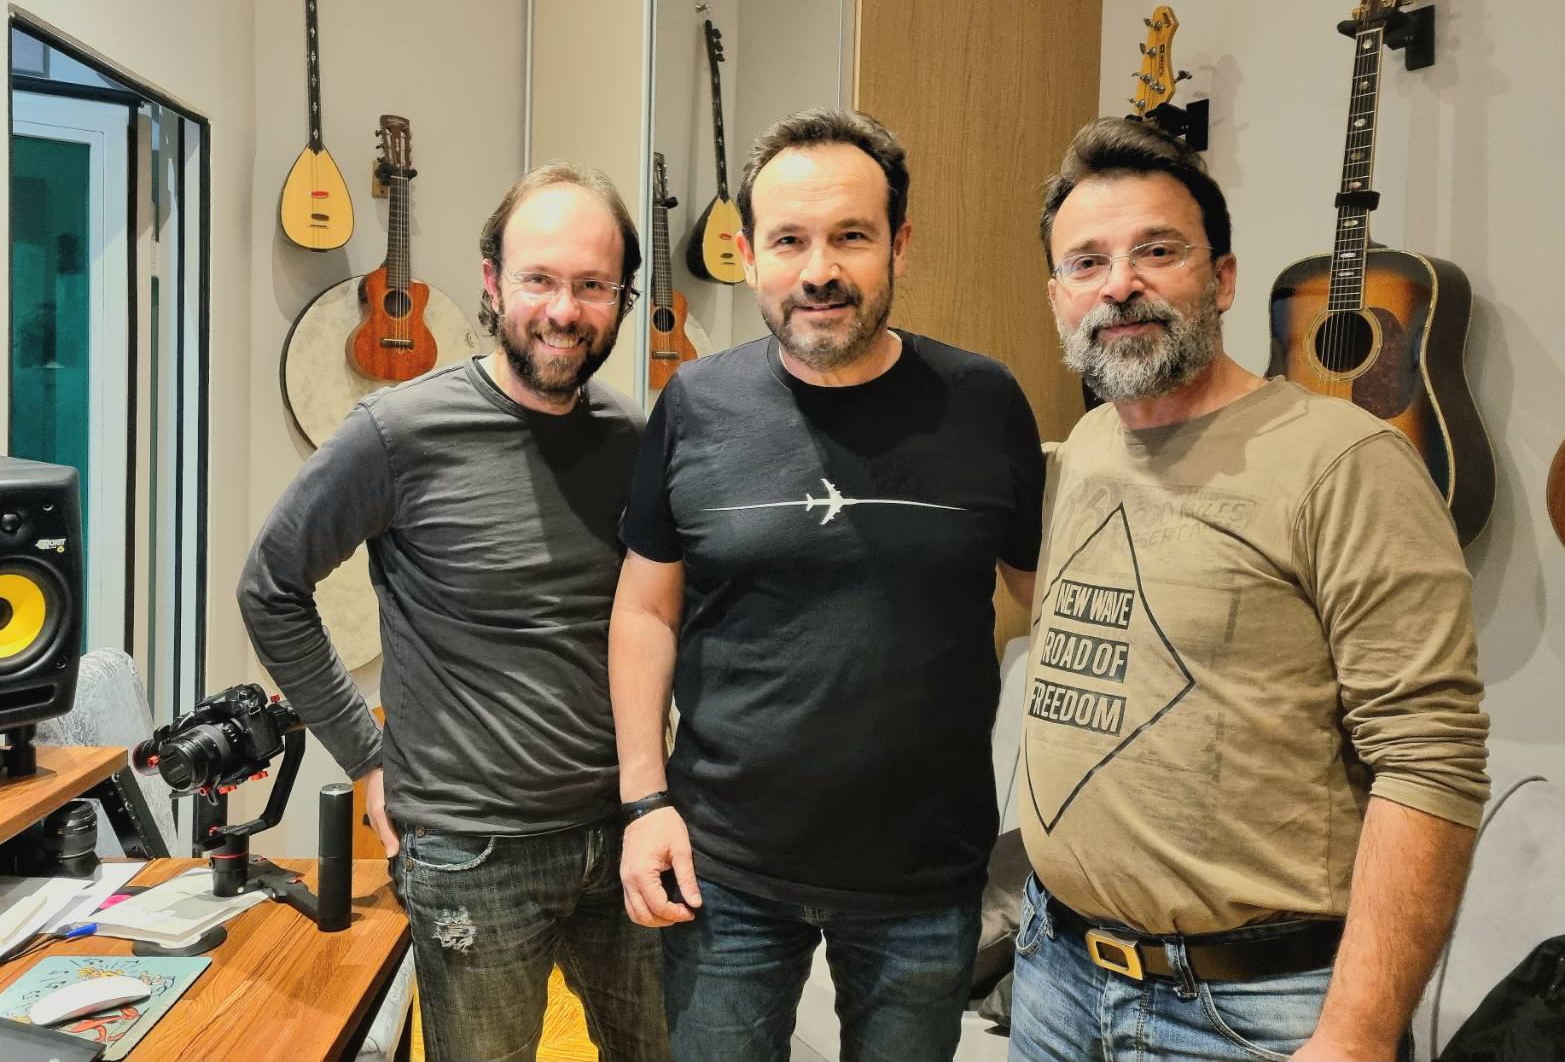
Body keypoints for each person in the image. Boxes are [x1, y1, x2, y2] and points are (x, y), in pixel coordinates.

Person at [1009, 116, 1490, 1062]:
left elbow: (1431, 759)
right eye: (1087, 262)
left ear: (1223, 278)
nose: (1120, 284)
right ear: (1060, 296)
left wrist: (1356, 1036)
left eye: (1158, 251)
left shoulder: (1346, 460)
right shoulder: (1085, 447)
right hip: (1052, 969)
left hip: (1247, 1011)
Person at [609, 107, 1045, 1062]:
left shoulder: (984, 402)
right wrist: (644, 803)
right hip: (724, 869)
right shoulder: (694, 403)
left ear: (899, 245)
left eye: (851, 235)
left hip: (925, 877)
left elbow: (1048, 598)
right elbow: (645, 608)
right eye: (789, 240)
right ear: (747, 254)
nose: (819, 270)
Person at [236, 161, 672, 1062]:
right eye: (539, 278)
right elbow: (271, 587)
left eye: (593, 286)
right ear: (492, 282)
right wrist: (366, 751)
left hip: (623, 832)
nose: (564, 309)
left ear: (622, 298)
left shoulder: (632, 438)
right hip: (471, 857)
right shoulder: (395, 433)